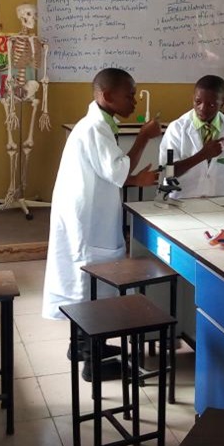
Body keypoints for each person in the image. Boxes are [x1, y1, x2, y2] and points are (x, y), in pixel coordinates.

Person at [41, 68, 160, 381]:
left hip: (86, 217)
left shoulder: (100, 125)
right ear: (107, 96)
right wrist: (143, 138)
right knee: (91, 286)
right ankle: (92, 363)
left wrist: (135, 178)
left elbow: (108, 172)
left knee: (89, 284)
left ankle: (82, 345)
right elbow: (118, 171)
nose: (134, 101)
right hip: (87, 223)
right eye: (129, 95)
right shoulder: (95, 128)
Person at [159, 75, 224, 199]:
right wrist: (202, 155)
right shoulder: (176, 129)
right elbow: (167, 172)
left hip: (220, 200)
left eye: (211, 104)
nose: (203, 108)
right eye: (198, 102)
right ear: (193, 98)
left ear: (222, 103)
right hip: (183, 200)